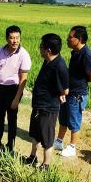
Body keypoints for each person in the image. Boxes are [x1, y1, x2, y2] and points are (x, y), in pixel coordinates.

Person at [25, 33, 69, 170]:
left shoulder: (59, 66)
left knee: (47, 138)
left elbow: (65, 90)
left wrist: (59, 94)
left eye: (41, 47)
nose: (39, 49)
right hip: (39, 106)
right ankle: (33, 157)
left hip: (48, 108)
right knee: (35, 133)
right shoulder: (48, 60)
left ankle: (46, 165)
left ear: (48, 50)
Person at [0, 25, 32, 152]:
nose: (15, 41)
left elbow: (23, 79)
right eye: (12, 38)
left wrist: (17, 98)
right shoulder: (1, 51)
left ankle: (10, 145)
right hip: (0, 88)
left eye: (17, 38)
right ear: (7, 39)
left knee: (12, 119)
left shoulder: (23, 54)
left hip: (14, 89)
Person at [54, 26, 91, 157]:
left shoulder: (86, 55)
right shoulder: (75, 52)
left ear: (79, 39)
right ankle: (59, 141)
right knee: (64, 118)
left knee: (74, 120)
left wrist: (78, 81)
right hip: (69, 92)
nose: (67, 39)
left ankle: (72, 147)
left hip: (77, 94)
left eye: (70, 37)